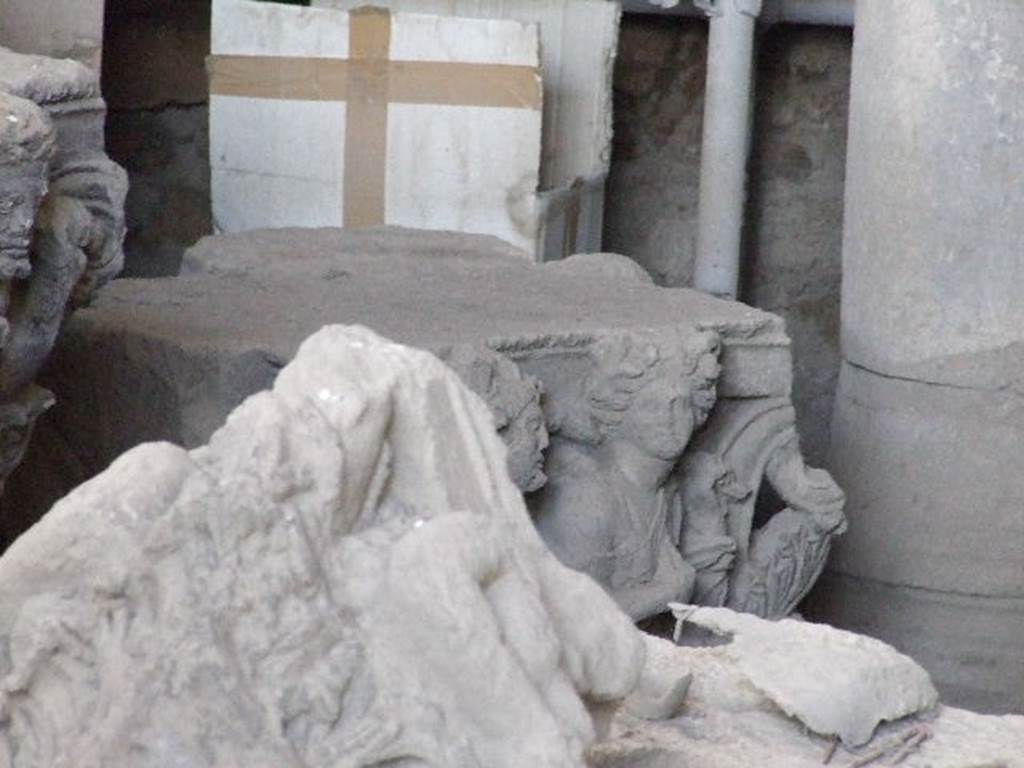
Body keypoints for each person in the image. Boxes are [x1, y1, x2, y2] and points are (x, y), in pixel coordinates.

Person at [531, 328, 720, 621]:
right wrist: (668, 592)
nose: (670, 420)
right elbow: (572, 612)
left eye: (679, 404)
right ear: (618, 412)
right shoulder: (588, 499)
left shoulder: (663, 489)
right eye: (652, 406)